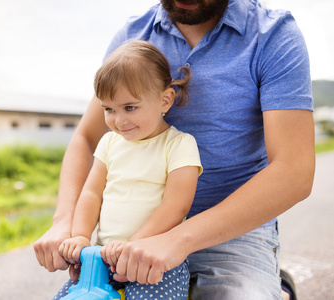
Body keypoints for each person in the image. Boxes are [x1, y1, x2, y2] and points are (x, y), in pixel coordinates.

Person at [34, 0, 315, 299]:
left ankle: (274, 287)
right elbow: (87, 139)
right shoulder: (133, 34)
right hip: (128, 235)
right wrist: (65, 223)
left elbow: (294, 170)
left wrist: (176, 239)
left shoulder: (272, 34)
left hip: (235, 232)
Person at [52, 40, 202, 299]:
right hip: (103, 256)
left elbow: (176, 207)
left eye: (130, 107)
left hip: (154, 258)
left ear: (165, 100)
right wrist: (80, 237)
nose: (118, 121)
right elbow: (91, 194)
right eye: (109, 109)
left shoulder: (179, 145)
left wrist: (133, 246)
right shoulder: (109, 142)